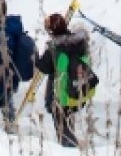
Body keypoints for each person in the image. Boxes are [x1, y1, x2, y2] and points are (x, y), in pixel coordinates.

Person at [34, 13, 94, 148]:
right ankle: (71, 143)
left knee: (61, 120)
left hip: (59, 90)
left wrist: (35, 56)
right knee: (68, 117)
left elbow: (44, 67)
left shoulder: (55, 47)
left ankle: (69, 149)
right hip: (76, 88)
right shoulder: (78, 42)